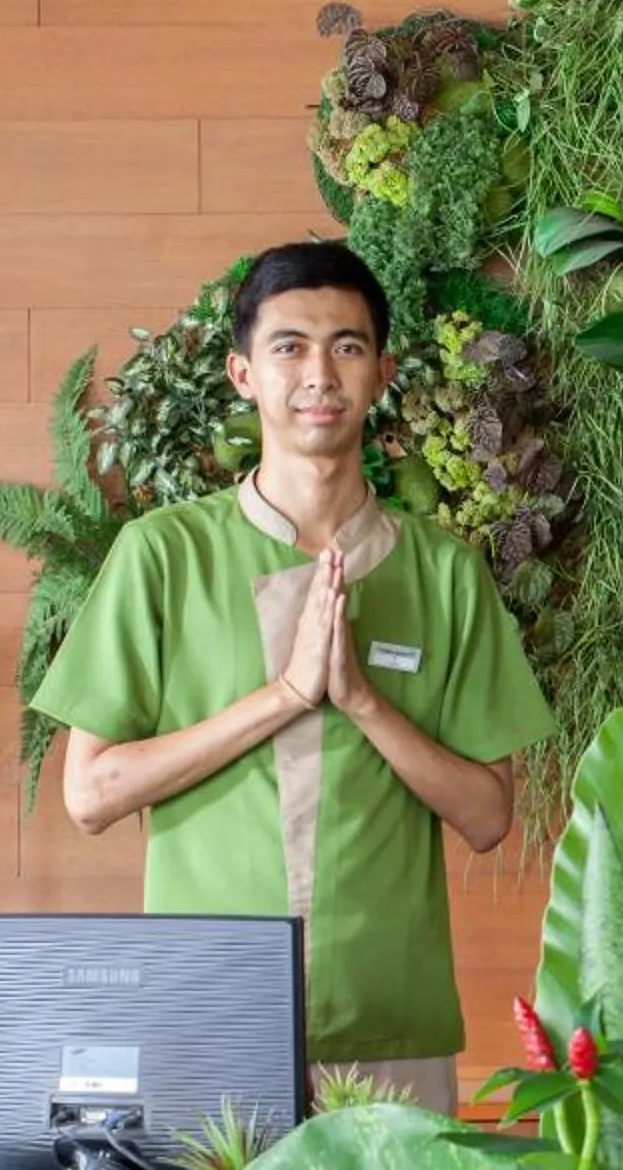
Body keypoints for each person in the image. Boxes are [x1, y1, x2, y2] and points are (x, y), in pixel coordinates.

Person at [32, 240, 555, 1117]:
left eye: (347, 347)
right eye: (290, 347)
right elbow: (90, 794)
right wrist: (282, 697)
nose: (320, 374)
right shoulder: (164, 555)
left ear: (382, 374)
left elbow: (487, 815)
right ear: (243, 374)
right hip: (207, 1017)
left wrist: (361, 700)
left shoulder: (444, 573)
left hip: (388, 1025)